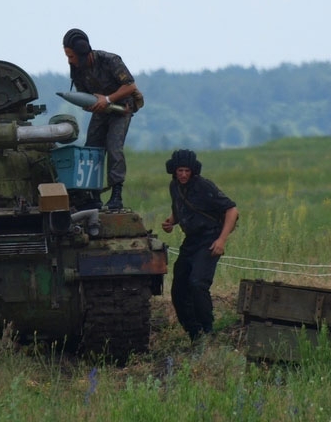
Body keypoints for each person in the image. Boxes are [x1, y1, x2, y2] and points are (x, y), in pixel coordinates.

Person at [161, 149, 239, 341]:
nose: (183, 175)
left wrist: (221, 240)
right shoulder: (174, 186)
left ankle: (208, 329)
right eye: (180, 170)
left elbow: (231, 210)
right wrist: (171, 221)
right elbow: (179, 209)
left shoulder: (204, 186)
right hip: (191, 240)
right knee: (178, 288)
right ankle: (194, 334)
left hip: (210, 238)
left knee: (197, 283)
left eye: (187, 171)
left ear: (193, 171)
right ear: (174, 171)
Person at [62, 28, 144, 210]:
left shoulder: (110, 61)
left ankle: (116, 196)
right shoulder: (77, 70)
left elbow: (130, 86)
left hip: (121, 109)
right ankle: (93, 195)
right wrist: (91, 103)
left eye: (71, 56)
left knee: (114, 148)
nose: (69, 61)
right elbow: (83, 93)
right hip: (100, 110)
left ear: (82, 55)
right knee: (91, 150)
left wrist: (107, 100)